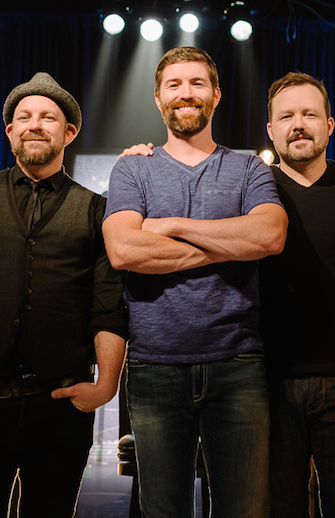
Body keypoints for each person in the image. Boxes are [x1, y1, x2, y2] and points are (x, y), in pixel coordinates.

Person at [0, 72, 128, 517]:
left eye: (48, 118)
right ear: (10, 130)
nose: (35, 124)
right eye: (25, 116)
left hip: (61, 409)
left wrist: (106, 385)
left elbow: (108, 308)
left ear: (68, 132)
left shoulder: (97, 209)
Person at [102, 46, 288, 517]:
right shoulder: (133, 168)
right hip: (154, 367)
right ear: (158, 98)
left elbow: (268, 236)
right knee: (162, 512)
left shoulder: (249, 168)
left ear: (217, 95)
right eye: (174, 85)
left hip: (239, 365)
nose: (186, 93)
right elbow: (124, 249)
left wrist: (170, 225)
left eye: (197, 83)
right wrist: (228, 245)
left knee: (244, 511)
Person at [259, 71, 335, 517]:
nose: (298, 124)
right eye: (286, 116)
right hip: (265, 382)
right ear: (270, 129)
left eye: (310, 114)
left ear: (330, 124)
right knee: (278, 508)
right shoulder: (250, 189)